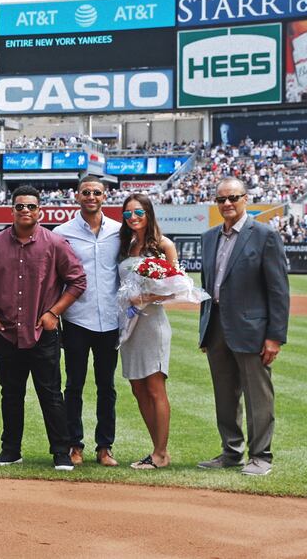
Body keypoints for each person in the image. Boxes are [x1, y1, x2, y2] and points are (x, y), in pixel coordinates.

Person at [0, 185, 86, 470]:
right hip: (5, 332)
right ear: (11, 210)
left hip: (43, 331)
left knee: (50, 394)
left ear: (40, 210)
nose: (25, 211)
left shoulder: (54, 243)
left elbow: (77, 281)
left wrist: (53, 313)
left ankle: (61, 451)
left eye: (31, 206)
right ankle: (10, 450)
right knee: (10, 393)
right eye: (20, 206)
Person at [198, 178, 289, 476]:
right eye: (221, 199)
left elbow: (278, 290)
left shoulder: (264, 235)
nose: (227, 204)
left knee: (257, 396)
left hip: (252, 329)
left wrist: (274, 337)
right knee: (224, 395)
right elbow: (207, 286)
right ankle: (231, 452)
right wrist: (205, 330)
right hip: (217, 327)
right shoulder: (209, 237)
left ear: (245, 199)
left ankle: (261, 455)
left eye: (233, 198)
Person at [54, 176, 121, 468]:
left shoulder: (120, 231)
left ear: (104, 196)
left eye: (97, 192)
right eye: (86, 192)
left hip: (110, 318)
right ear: (76, 196)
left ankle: (104, 447)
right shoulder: (61, 233)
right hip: (77, 319)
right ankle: (74, 445)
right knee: (75, 385)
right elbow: (56, 276)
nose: (91, 196)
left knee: (107, 386)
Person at [117, 193, 180, 470]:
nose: (133, 218)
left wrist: (145, 298)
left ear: (149, 213)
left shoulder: (164, 245)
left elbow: (175, 288)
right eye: (128, 213)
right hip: (130, 325)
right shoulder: (127, 244)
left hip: (152, 323)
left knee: (155, 388)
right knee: (137, 388)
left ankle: (160, 453)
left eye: (139, 213)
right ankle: (158, 450)